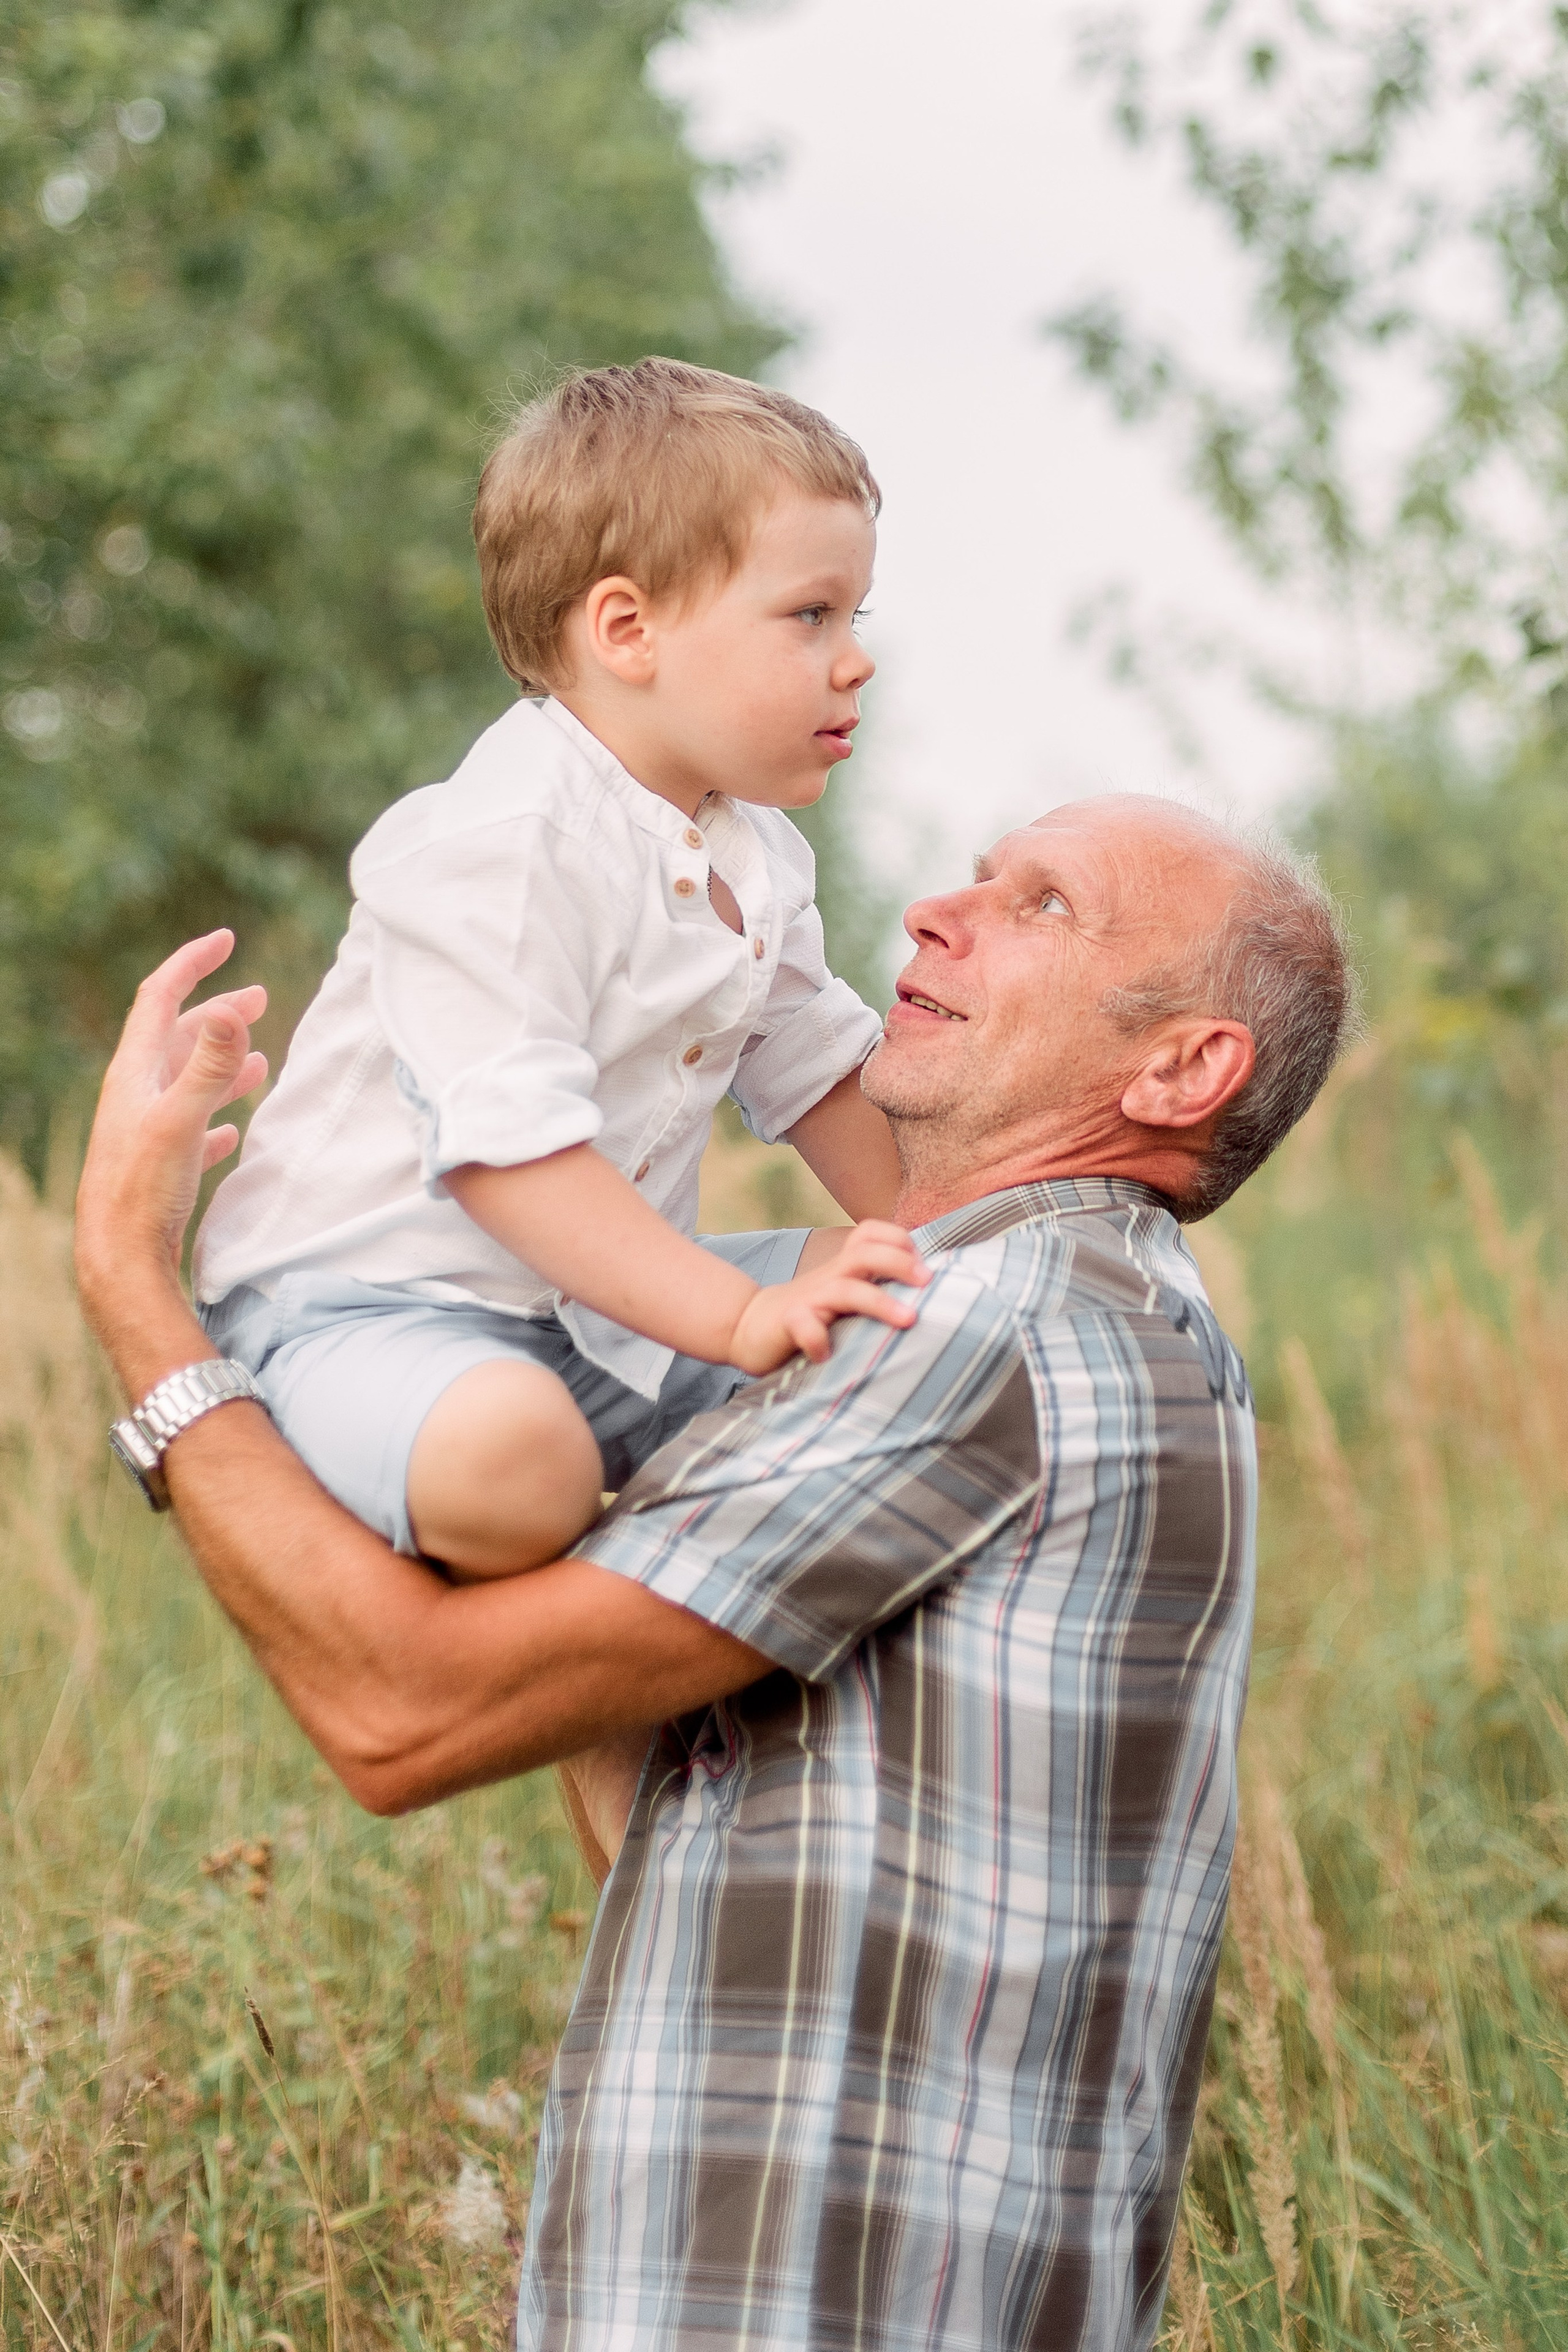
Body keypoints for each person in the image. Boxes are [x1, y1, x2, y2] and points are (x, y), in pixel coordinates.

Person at [74, 794, 1357, 2352]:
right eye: (971, 876)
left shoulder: (985, 1334)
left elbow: (396, 1717)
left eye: (1042, 907)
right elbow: (671, 1826)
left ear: (1181, 1067)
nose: (939, 914)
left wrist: (138, 1291)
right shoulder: (1083, 1315)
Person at [192, 356, 925, 1605]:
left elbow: (814, 1064)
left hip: (598, 1314)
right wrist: (732, 1320)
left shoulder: (753, 847)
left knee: (910, 1322)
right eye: (810, 616)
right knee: (519, 1460)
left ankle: (691, 1584)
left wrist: (943, 1247)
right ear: (627, 630)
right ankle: (542, 1537)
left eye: (853, 617)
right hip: (371, 1308)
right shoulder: (501, 843)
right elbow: (509, 1157)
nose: (854, 660)